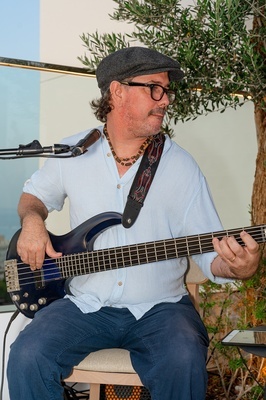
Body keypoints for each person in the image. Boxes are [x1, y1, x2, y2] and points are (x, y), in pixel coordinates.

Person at [7, 47, 260, 400]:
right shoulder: (73, 153)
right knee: (26, 356)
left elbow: (210, 254)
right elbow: (33, 197)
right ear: (117, 91)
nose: (165, 100)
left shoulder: (181, 167)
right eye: (155, 88)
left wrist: (238, 266)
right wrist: (32, 220)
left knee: (184, 358)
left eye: (167, 90)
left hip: (162, 310)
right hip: (84, 305)